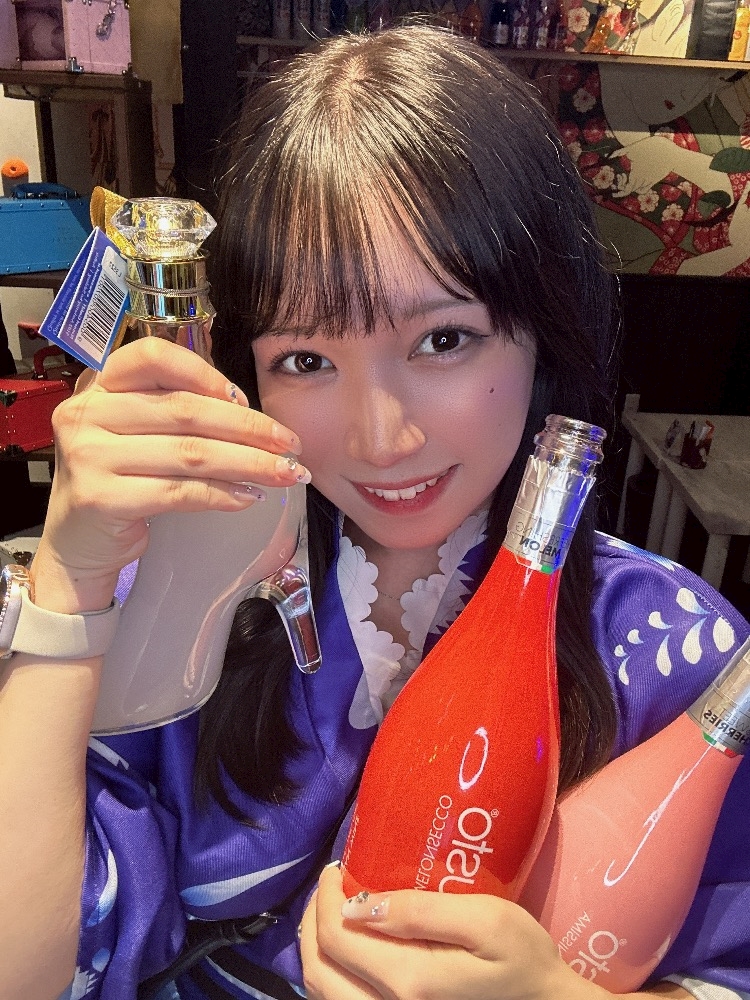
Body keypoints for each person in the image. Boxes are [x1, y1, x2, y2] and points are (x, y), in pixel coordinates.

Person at [0, 24, 748, 1000]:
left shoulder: (675, 652)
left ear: (542, 332)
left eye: (444, 340)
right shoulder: (177, 597)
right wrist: (69, 587)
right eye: (307, 359)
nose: (382, 437)